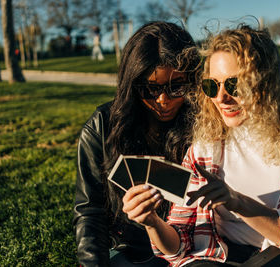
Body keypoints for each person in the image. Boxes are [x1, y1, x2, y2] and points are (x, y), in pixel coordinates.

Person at [122, 25, 280, 266]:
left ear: (265, 83)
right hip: (218, 257)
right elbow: (180, 245)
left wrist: (237, 202)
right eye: (212, 86)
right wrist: (151, 222)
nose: (221, 98)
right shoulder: (204, 149)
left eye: (234, 85)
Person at [73, 21, 201, 266]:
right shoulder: (103, 125)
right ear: (132, 84)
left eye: (177, 87)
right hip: (129, 251)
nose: (163, 100)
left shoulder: (203, 124)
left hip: (192, 248)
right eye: (150, 89)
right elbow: (90, 211)